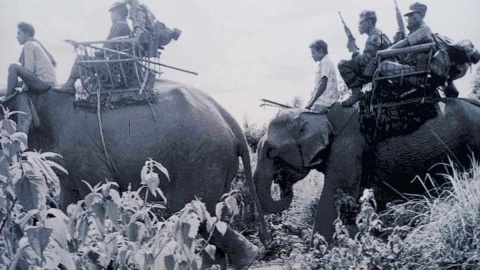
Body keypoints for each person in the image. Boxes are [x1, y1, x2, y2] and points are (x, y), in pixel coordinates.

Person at [58, 1, 132, 93]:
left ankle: (70, 84)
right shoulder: (127, 27)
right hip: (118, 67)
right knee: (88, 59)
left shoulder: (118, 26)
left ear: (117, 13)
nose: (111, 17)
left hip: (112, 68)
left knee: (80, 58)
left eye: (112, 14)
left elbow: (106, 48)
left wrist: (93, 51)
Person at [4, 22, 57, 133]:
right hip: (43, 81)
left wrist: (23, 87)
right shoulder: (34, 44)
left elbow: (29, 71)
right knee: (14, 83)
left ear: (27, 34)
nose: (17, 36)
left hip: (43, 82)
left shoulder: (28, 45)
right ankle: (7, 94)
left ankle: (7, 101)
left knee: (13, 67)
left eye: (19, 33)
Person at [377, 3, 440, 91]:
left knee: (383, 66)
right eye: (408, 17)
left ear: (421, 15)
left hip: (417, 73)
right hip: (413, 70)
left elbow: (406, 42)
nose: (409, 19)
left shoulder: (424, 29)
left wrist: (385, 52)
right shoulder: (416, 31)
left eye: (412, 15)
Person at [339, 10, 391, 107]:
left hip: (372, 73)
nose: (359, 26)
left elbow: (363, 63)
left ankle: (356, 93)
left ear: (369, 22)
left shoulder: (373, 38)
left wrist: (354, 51)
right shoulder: (379, 34)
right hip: (379, 69)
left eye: (361, 23)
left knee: (342, 64)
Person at [305, 40, 339, 113]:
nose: (312, 56)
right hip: (326, 102)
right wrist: (310, 101)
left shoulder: (325, 62)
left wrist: (311, 103)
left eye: (313, 53)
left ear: (321, 50)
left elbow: (323, 83)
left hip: (324, 103)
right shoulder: (325, 62)